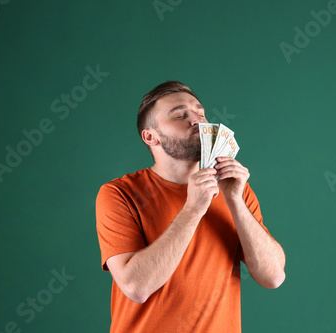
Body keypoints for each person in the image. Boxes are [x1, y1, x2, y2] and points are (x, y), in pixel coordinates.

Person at [95, 81, 286, 332]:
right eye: (179, 115)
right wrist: (193, 208)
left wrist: (236, 202)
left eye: (201, 112)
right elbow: (136, 287)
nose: (197, 119)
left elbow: (273, 277)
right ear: (150, 137)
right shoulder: (120, 194)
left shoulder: (235, 189)